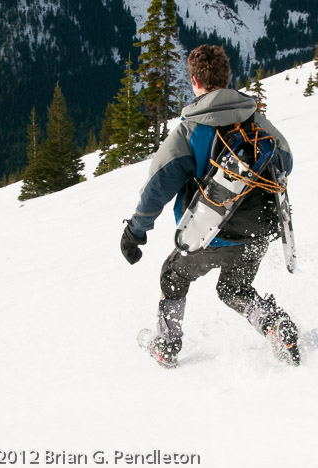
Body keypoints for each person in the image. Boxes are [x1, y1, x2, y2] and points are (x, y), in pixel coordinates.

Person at [120, 45, 299, 368]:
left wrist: (135, 232)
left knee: (172, 277)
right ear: (227, 78)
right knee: (234, 287)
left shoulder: (192, 131)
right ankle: (275, 326)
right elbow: (285, 160)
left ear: (195, 82)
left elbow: (157, 187)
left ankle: (167, 344)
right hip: (258, 230)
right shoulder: (256, 121)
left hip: (211, 234)